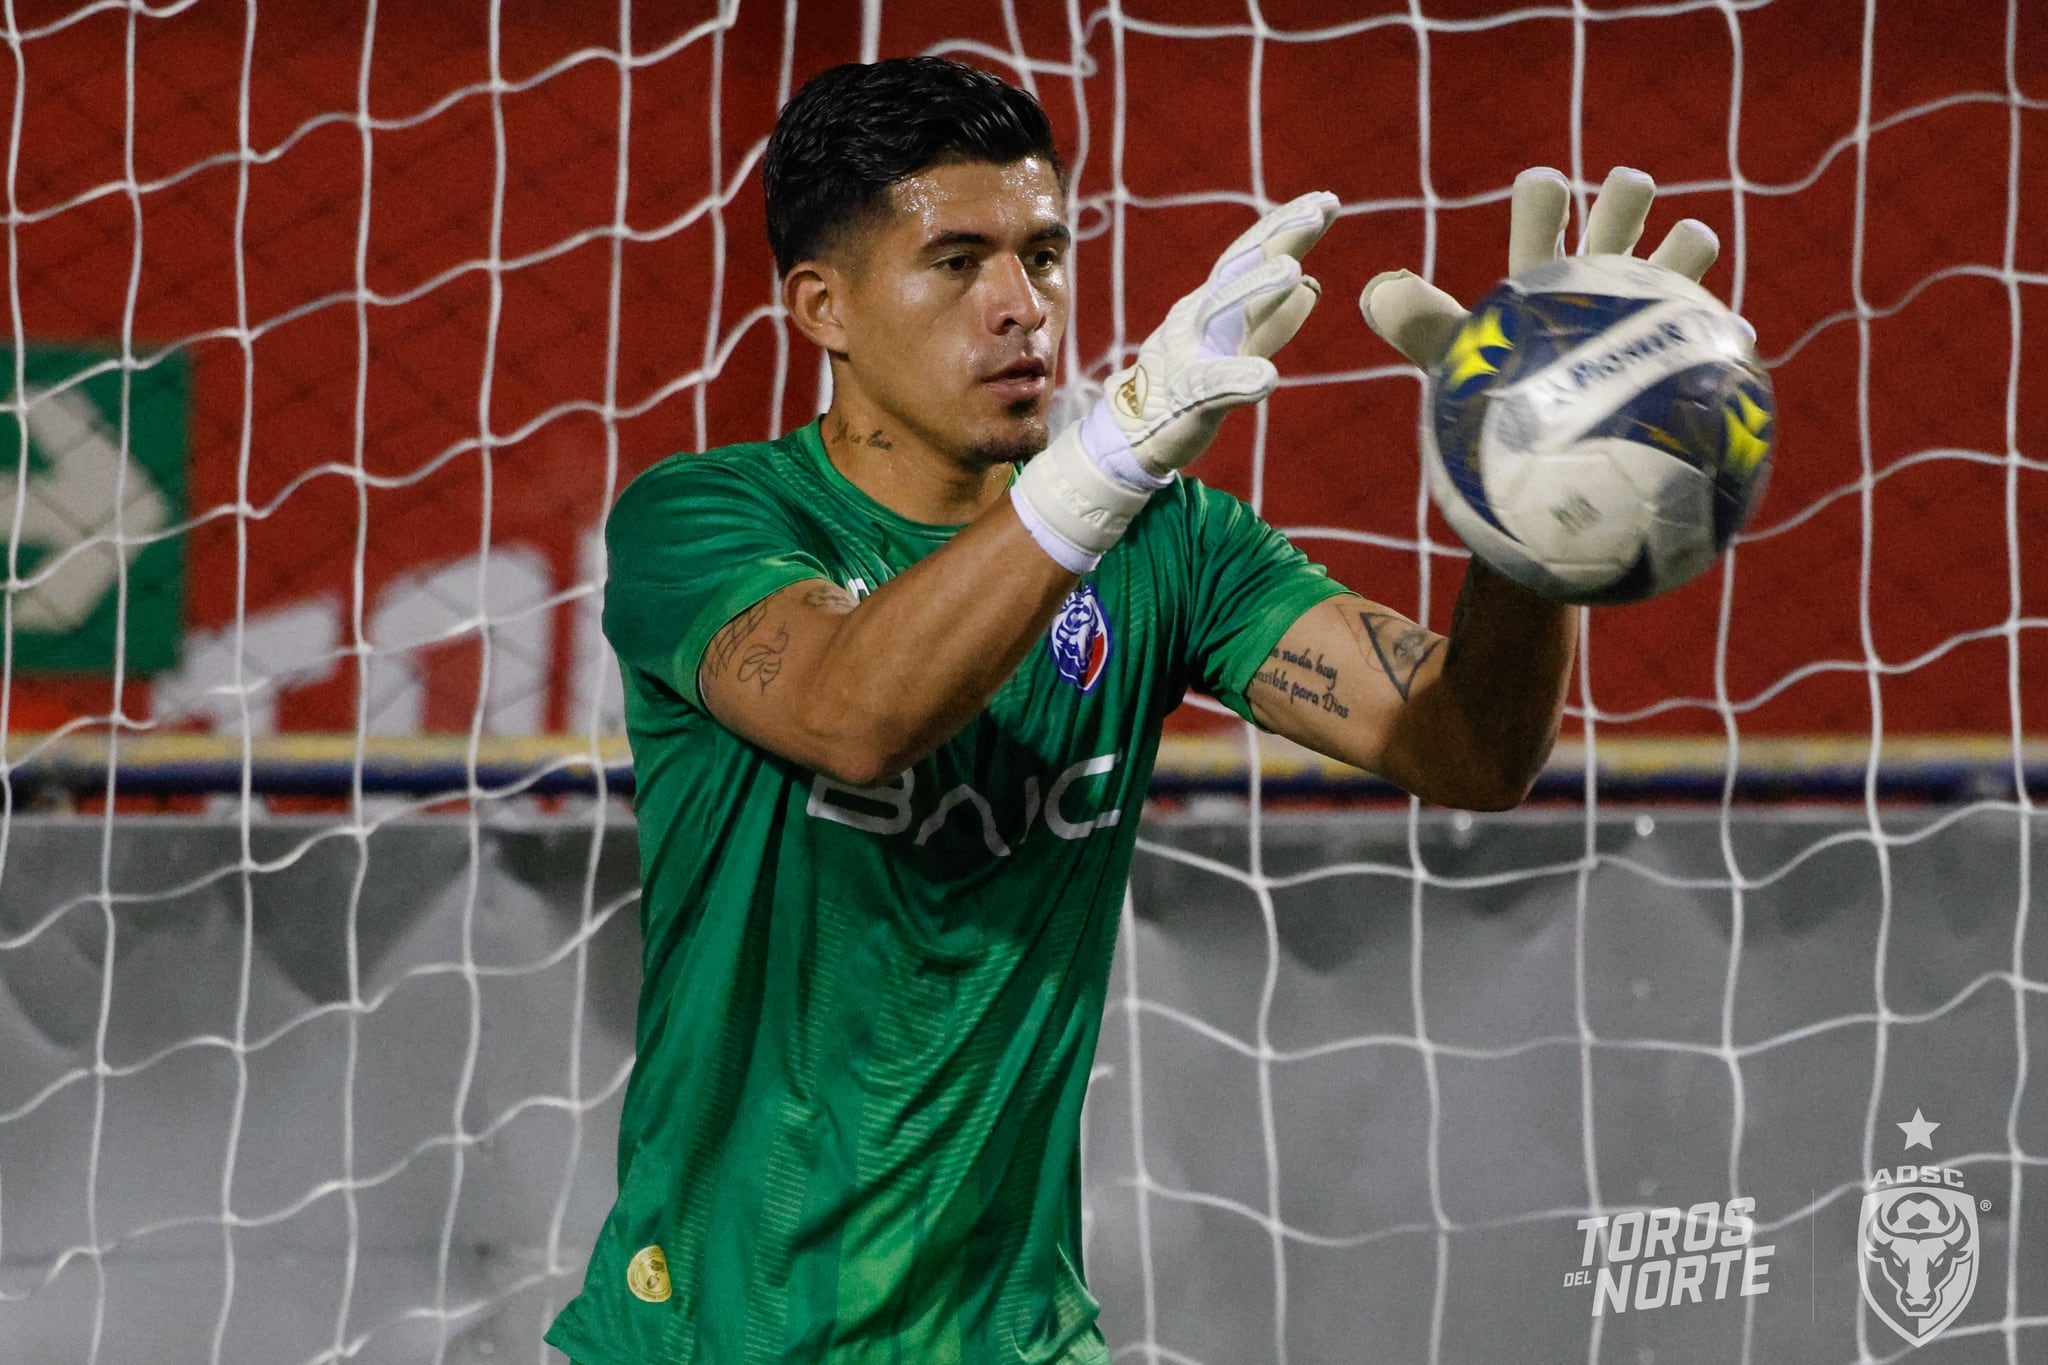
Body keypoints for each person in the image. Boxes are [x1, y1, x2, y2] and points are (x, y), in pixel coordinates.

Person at [545, 54, 1723, 1365]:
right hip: (706, 1336)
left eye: (1044, 256)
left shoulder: (1168, 545)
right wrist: (1109, 458)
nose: (1021, 305)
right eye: (957, 262)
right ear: (824, 306)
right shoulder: (705, 519)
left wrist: (1529, 505)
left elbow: (1471, 747)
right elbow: (852, 712)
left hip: (1016, 1341)